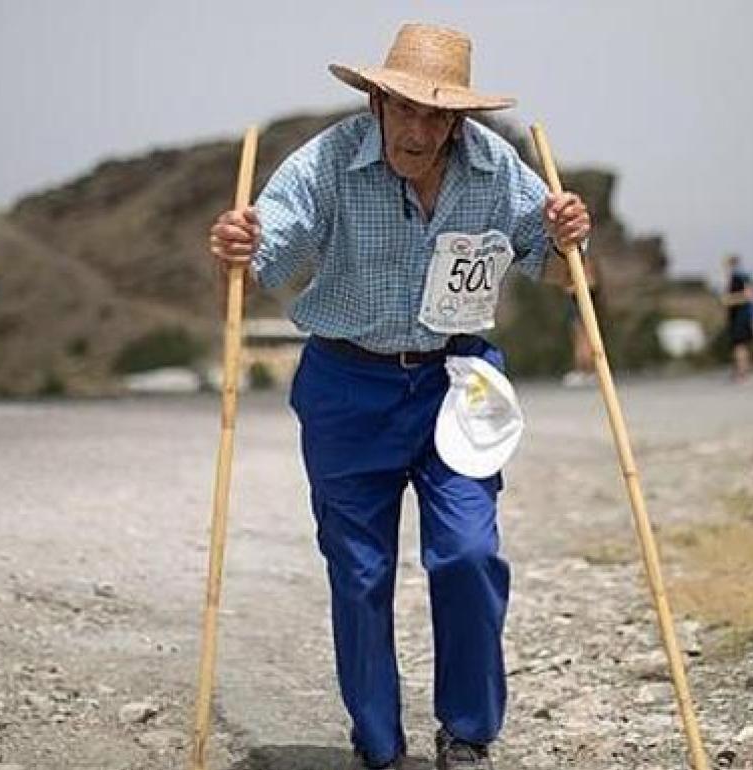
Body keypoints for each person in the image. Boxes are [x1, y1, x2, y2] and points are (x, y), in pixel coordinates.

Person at [209, 23, 590, 770]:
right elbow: (267, 254)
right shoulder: (324, 164)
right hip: (348, 386)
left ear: (461, 121)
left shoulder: (495, 169)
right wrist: (239, 247)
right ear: (378, 100)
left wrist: (571, 237)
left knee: (469, 552)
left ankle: (468, 735)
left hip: (458, 381)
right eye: (406, 109)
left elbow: (555, 266)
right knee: (359, 572)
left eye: (438, 115)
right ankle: (378, 747)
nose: (420, 130)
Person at [561, 253, 602, 387]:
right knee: (578, 338)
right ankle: (582, 370)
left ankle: (589, 370)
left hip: (584, 305)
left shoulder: (586, 263)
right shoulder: (569, 263)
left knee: (586, 339)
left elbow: (591, 282)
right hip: (575, 305)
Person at [721, 253, 753, 382]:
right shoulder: (741, 276)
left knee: (740, 346)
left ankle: (742, 372)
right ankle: (741, 371)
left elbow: (751, 293)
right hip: (740, 316)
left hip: (741, 316)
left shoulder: (739, 276)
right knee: (741, 346)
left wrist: (729, 299)